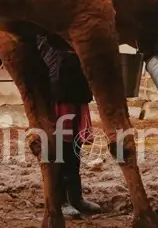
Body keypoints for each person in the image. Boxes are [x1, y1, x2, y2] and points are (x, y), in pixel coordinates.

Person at [36, 33, 102, 219]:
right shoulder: (43, 27)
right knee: (59, 147)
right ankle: (60, 200)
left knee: (75, 147)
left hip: (77, 89)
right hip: (58, 89)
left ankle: (75, 197)